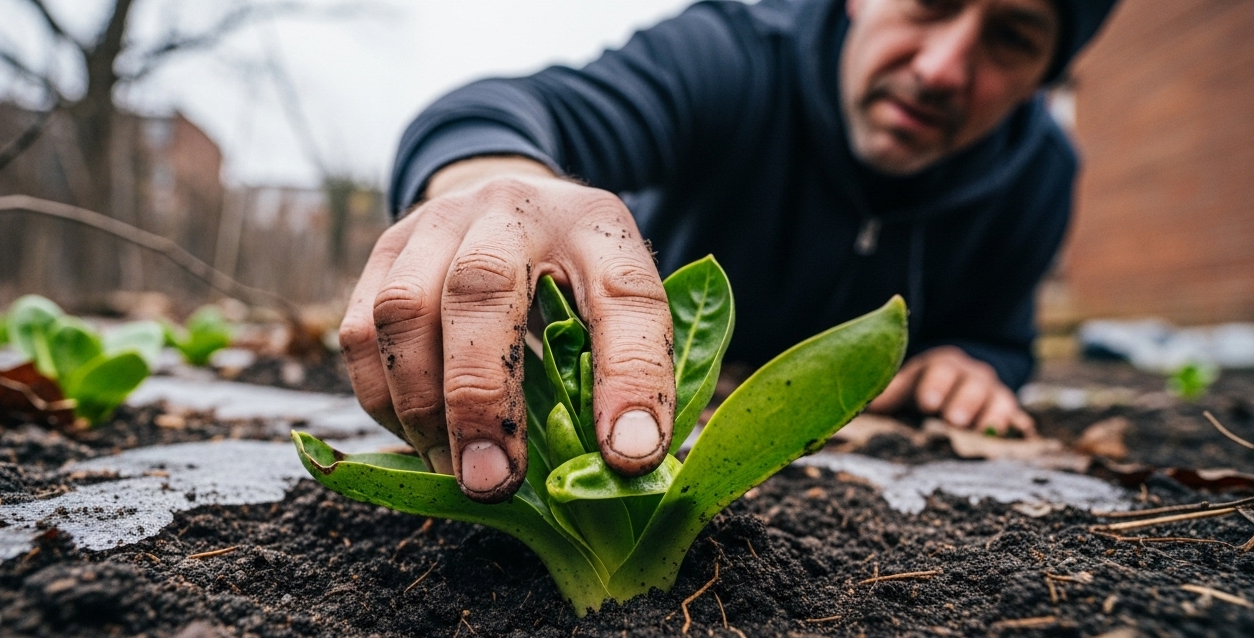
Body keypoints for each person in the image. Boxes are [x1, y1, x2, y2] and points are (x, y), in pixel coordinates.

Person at [341, 0, 1119, 502]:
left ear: (1044, 78)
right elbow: (507, 108)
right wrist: (492, 181)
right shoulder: (735, 55)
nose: (943, 67)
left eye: (1011, 38)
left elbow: (1002, 333)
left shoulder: (1041, 177)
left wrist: (974, 363)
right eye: (932, 4)